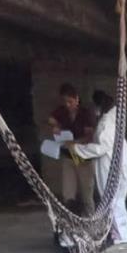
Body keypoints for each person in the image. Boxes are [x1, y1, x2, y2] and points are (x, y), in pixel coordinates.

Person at [70, 91, 127, 245]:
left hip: (111, 164)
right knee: (117, 199)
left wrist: (77, 149)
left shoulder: (105, 122)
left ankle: (120, 235)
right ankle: (122, 232)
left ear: (98, 106)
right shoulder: (114, 116)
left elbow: (101, 147)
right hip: (119, 161)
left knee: (112, 199)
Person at [50, 83, 97, 215]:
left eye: (70, 101)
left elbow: (89, 136)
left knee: (87, 193)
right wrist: (56, 126)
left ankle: (90, 221)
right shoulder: (62, 111)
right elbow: (51, 119)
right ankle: (70, 222)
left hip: (82, 156)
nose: (68, 105)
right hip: (68, 156)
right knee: (68, 193)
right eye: (65, 102)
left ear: (77, 99)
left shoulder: (85, 113)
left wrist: (73, 143)